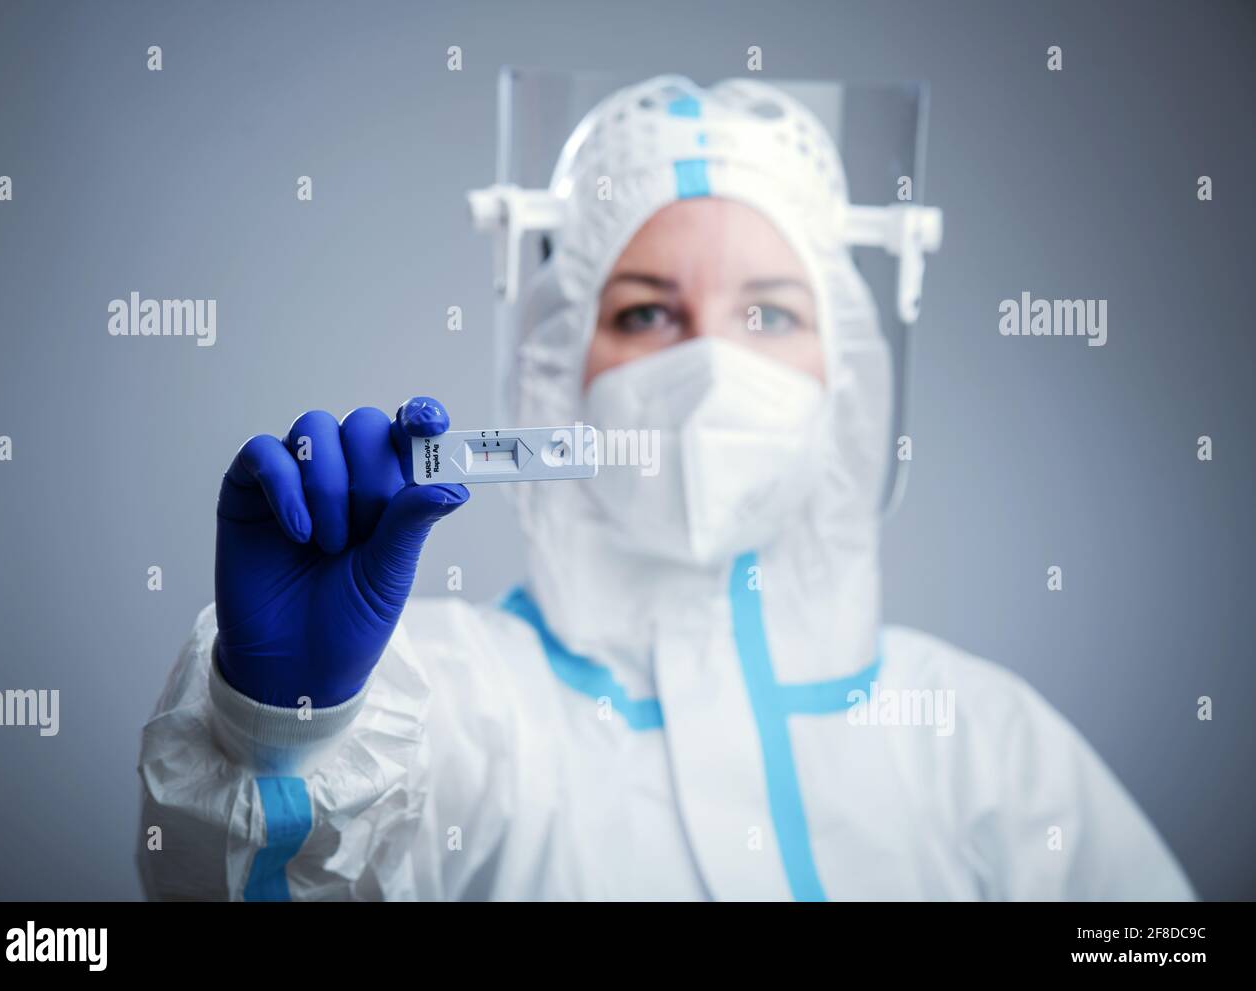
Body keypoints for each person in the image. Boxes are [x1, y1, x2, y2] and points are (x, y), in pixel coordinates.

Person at [137, 76, 1193, 901]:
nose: (710, 368)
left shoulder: (981, 741)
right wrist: (282, 730)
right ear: (559, 369)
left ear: (849, 380)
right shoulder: (439, 709)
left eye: (769, 314)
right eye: (646, 313)